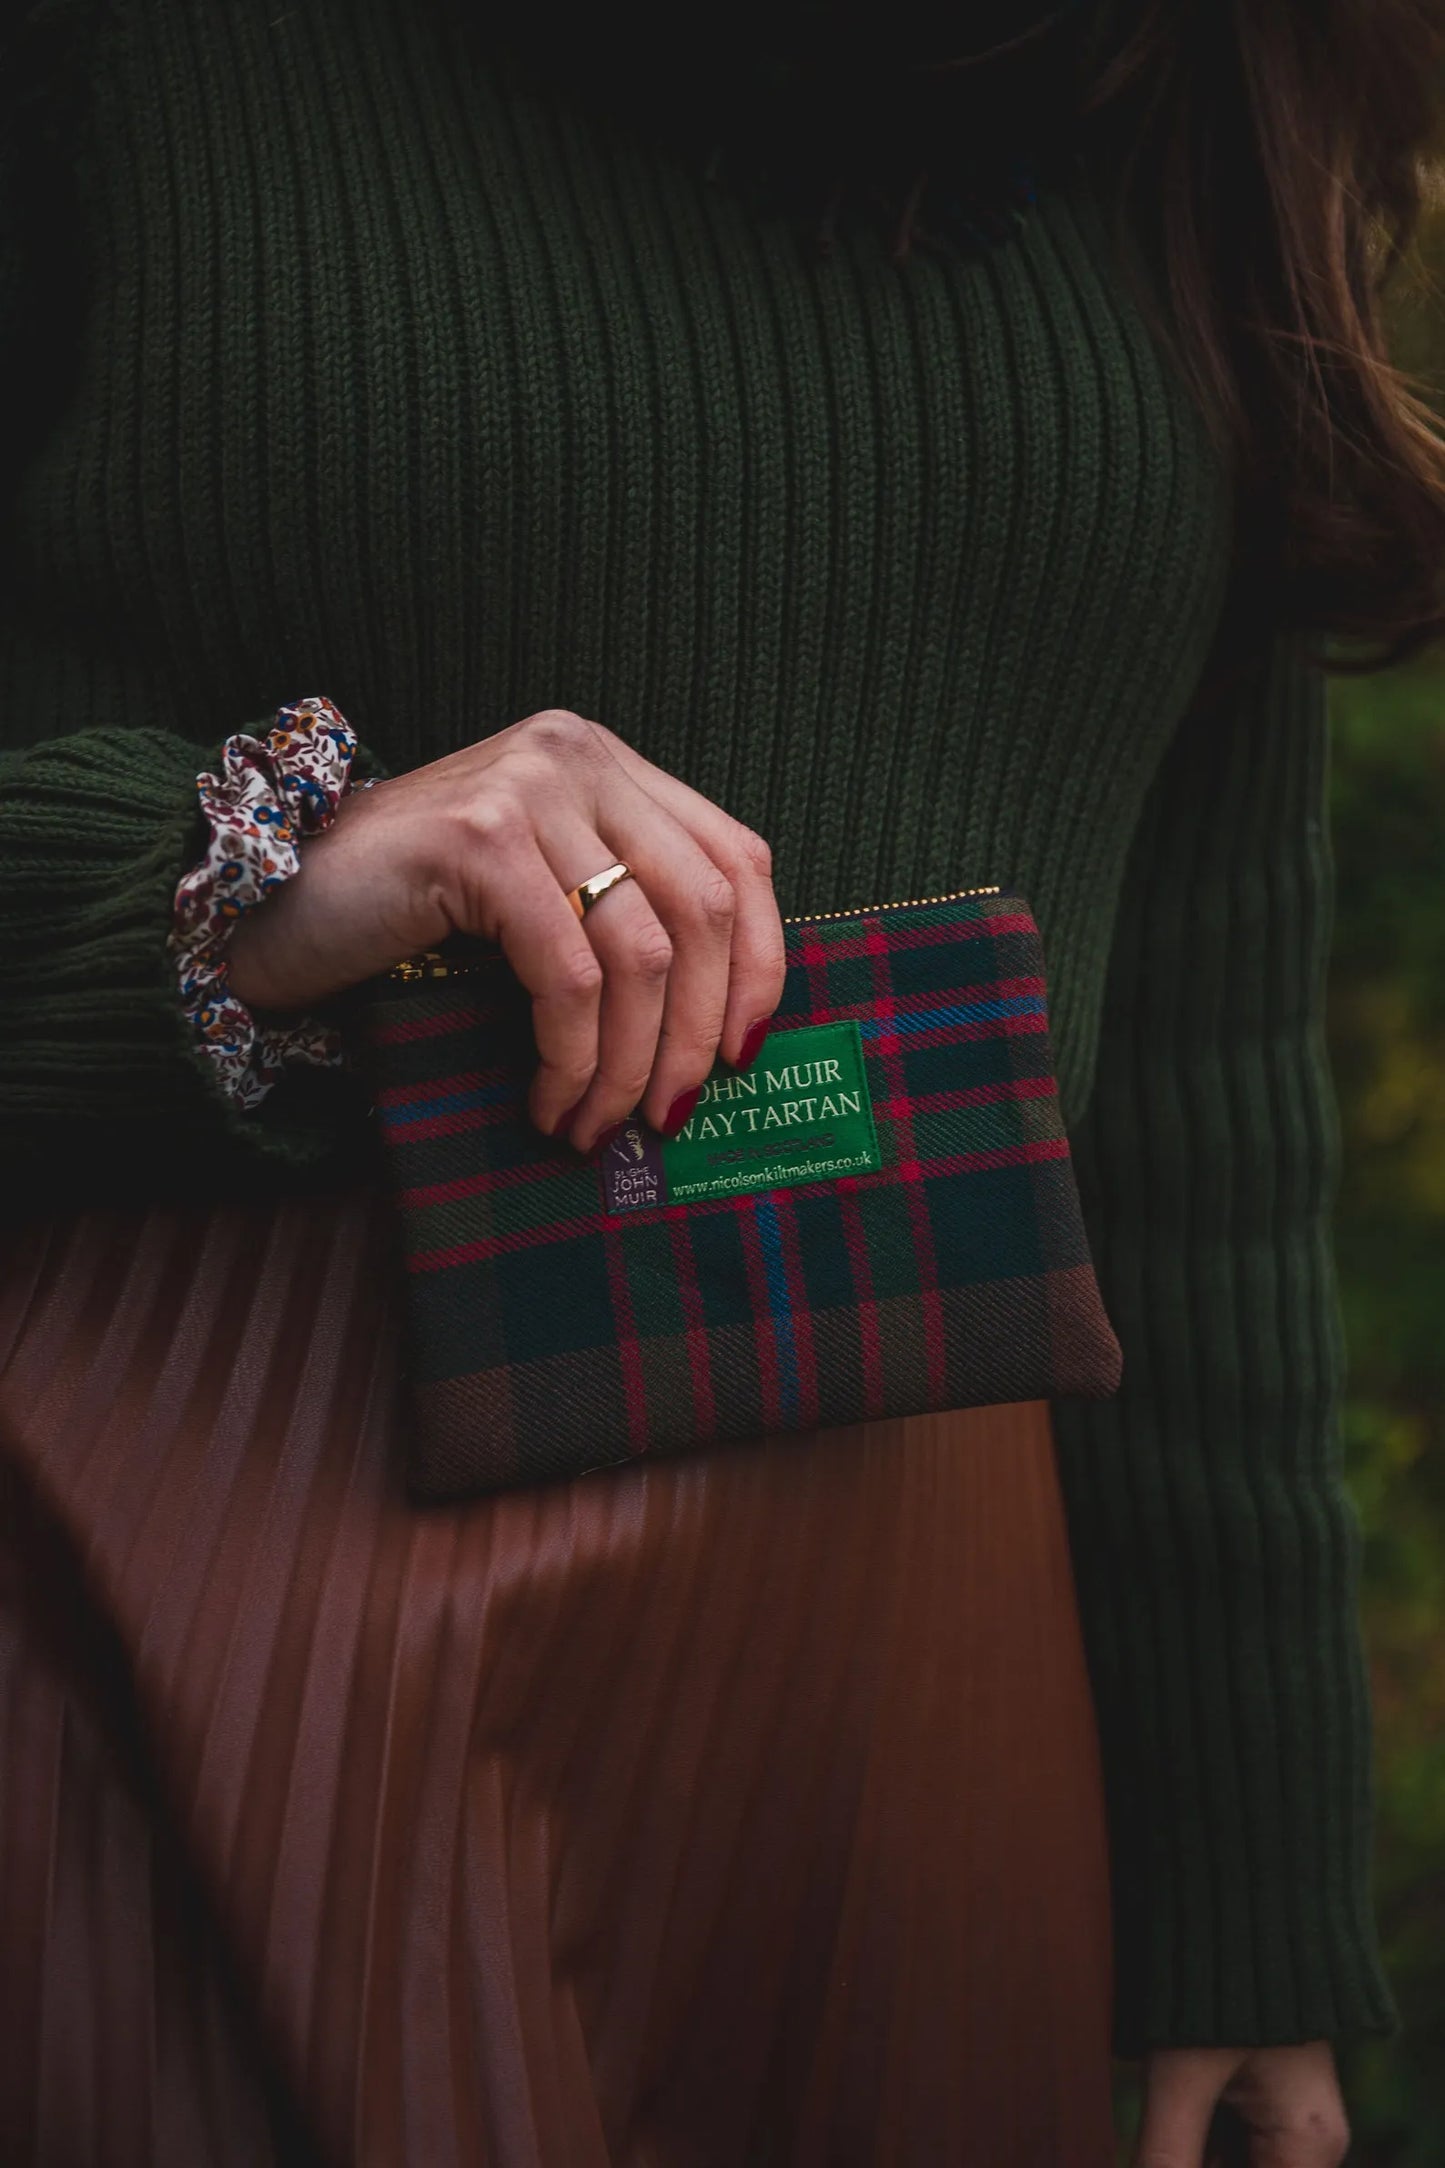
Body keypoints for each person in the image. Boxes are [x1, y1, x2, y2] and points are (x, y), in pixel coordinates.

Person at [1, 2, 1441, 2161]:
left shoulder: (1185, 61)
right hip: (209, 1560)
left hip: (937, 1703)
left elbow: (1188, 1083)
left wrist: (1241, 1877)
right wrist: (250, 877)